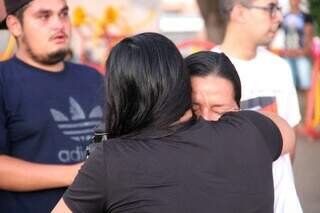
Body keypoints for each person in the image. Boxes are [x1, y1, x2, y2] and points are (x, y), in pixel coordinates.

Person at [53, 32, 294, 213]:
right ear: (182, 83)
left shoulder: (110, 158)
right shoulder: (252, 130)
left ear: (120, 95)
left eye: (219, 109)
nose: (209, 117)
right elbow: (286, 133)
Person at [0, 0, 105, 212]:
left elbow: (109, 141)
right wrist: (78, 173)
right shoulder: (4, 81)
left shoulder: (93, 78)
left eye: (64, 14)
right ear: (15, 25)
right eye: (44, 16)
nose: (59, 24)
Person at [186, 50, 303, 213]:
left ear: (239, 110)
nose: (205, 119)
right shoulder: (162, 157)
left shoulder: (269, 157)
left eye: (219, 110)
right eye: (194, 108)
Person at [214, 0, 302, 212]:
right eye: (270, 8)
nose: (279, 17)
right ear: (239, 11)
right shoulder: (207, 74)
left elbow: (290, 143)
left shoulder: (279, 69)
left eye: (279, 9)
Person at [280, 0, 313, 91]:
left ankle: (307, 105)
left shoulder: (305, 16)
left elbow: (309, 35)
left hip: (301, 54)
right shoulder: (285, 16)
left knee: (305, 84)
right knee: (290, 84)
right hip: (288, 54)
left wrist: (305, 50)